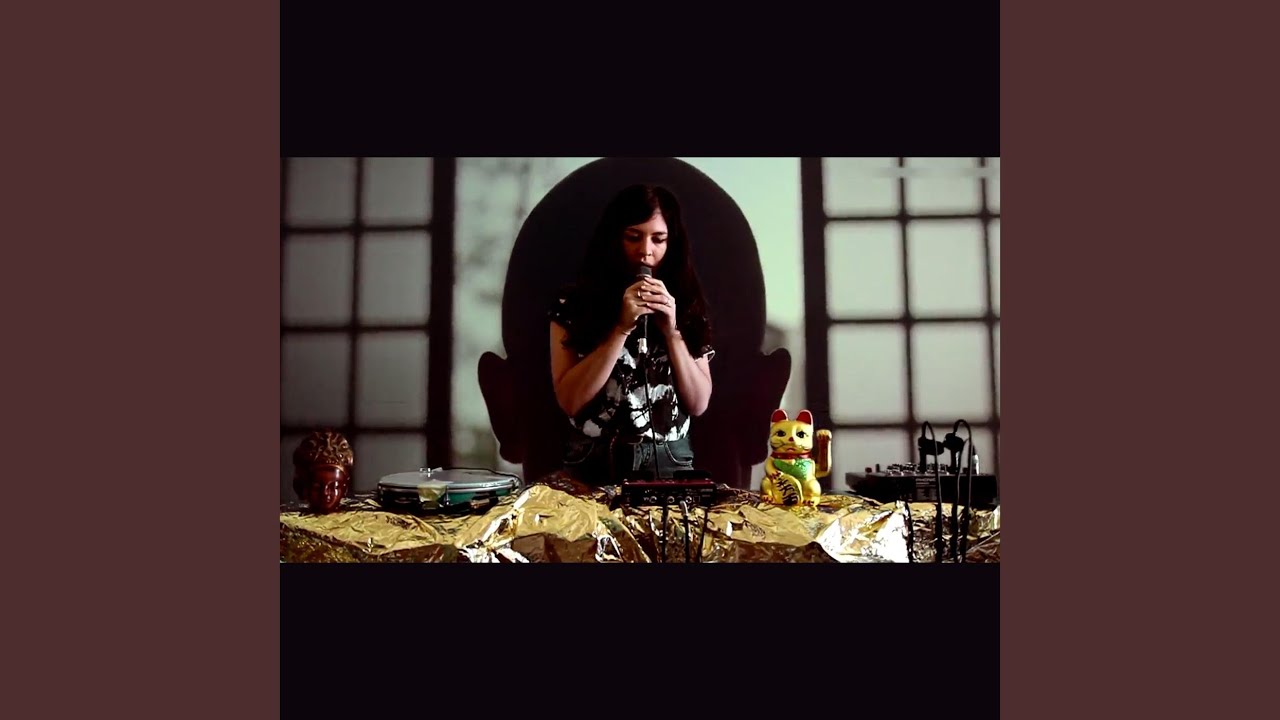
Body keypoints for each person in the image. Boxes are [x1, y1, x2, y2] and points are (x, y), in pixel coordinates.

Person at [547, 184, 715, 485]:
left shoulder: (686, 303)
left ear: (672, 243)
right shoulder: (572, 304)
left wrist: (672, 332)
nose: (645, 251)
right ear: (614, 238)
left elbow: (699, 402)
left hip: (670, 460)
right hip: (592, 460)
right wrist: (620, 328)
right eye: (633, 237)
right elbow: (570, 401)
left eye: (658, 239)